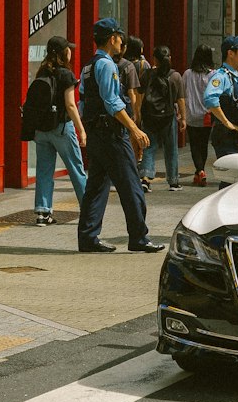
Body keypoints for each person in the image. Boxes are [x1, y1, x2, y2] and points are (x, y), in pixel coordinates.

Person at [77, 18, 164, 254]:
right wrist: (134, 129)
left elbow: (83, 101)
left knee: (96, 186)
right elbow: (112, 101)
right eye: (119, 37)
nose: (121, 41)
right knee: (131, 184)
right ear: (112, 38)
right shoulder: (107, 65)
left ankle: (87, 237)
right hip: (112, 134)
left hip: (96, 134)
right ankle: (139, 237)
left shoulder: (88, 66)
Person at [32, 35, 88, 225]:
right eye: (68, 48)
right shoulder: (66, 75)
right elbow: (71, 105)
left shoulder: (42, 72)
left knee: (44, 170)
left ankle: (42, 212)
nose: (71, 51)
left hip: (41, 129)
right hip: (62, 128)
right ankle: (88, 209)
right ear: (64, 53)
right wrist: (81, 130)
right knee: (76, 169)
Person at [139, 45, 186, 191]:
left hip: (149, 116)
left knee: (149, 147)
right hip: (168, 117)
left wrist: (139, 114)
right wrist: (183, 118)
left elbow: (140, 96)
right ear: (169, 58)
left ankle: (146, 179)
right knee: (171, 149)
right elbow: (180, 99)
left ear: (154, 59)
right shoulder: (175, 76)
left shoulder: (146, 74)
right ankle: (173, 182)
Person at [203, 36, 238, 165]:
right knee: (230, 179)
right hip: (228, 138)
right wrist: (227, 123)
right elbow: (210, 98)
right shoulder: (222, 76)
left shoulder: (235, 76)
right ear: (230, 53)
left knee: (237, 179)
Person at [182, 45, 215, 186]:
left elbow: (182, 93)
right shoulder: (213, 74)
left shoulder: (188, 74)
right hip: (207, 116)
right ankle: (200, 171)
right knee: (203, 144)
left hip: (191, 115)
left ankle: (199, 171)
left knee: (194, 145)